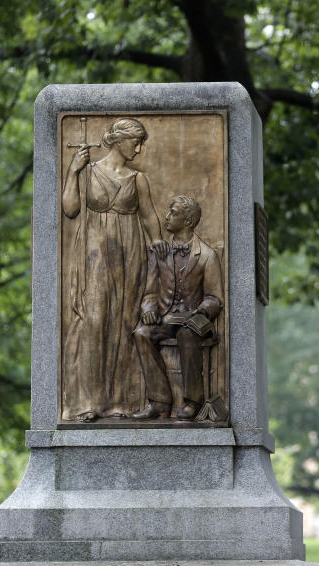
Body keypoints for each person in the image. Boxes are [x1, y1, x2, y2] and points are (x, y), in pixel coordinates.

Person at [61, 117, 167, 423]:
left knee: (124, 320)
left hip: (129, 252)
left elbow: (149, 217)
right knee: (94, 321)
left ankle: (122, 401)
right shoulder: (90, 171)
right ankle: (89, 401)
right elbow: (70, 209)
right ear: (120, 140)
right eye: (136, 141)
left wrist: (158, 242)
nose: (140, 147)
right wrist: (72, 171)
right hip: (94, 253)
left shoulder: (138, 179)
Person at [131, 196, 224, 420]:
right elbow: (150, 291)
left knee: (187, 334)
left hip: (195, 321)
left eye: (173, 212)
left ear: (189, 220)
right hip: (166, 318)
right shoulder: (160, 252)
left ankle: (192, 401)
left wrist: (200, 313)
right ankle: (160, 401)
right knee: (142, 333)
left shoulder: (207, 255)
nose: (167, 216)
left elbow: (214, 298)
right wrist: (148, 308)